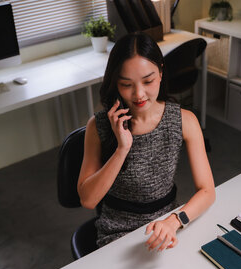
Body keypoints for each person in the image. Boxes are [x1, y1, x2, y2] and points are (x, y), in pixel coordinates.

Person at [77, 32, 215, 252]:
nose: (139, 94)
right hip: (116, 233)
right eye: (126, 84)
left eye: (148, 81)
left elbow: (207, 191)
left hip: (168, 227)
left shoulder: (184, 121)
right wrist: (122, 149)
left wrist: (174, 221)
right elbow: (88, 200)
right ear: (116, 83)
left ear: (161, 72)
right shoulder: (99, 125)